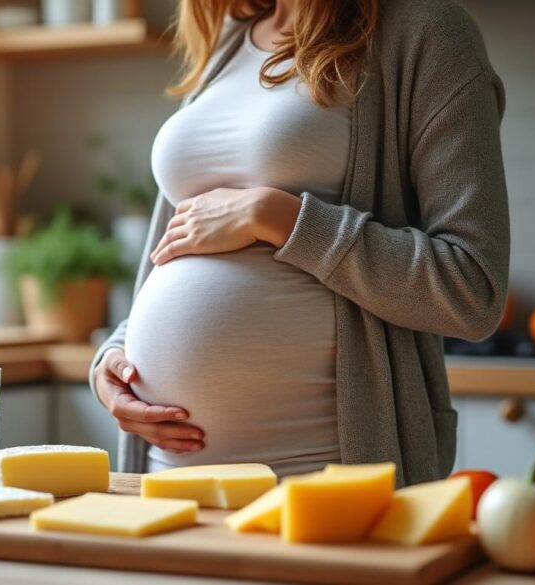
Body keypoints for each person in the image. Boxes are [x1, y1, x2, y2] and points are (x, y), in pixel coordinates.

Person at [90, 0, 510, 485]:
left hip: (322, 480)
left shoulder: (427, 32)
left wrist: (278, 216)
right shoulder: (232, 37)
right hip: (171, 483)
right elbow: (174, 248)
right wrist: (112, 368)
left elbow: (471, 289)